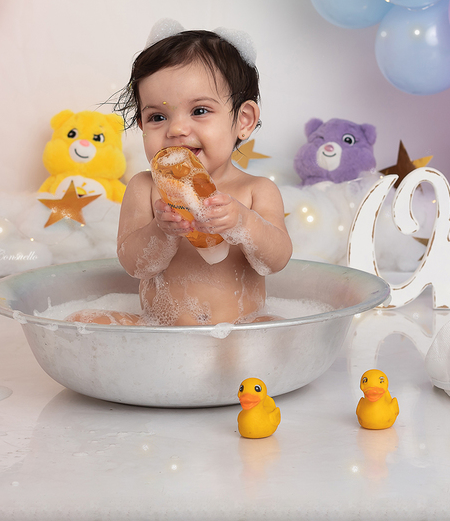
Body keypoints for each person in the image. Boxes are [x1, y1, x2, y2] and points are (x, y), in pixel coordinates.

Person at [68, 25, 292, 326]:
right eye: (157, 117)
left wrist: (243, 223)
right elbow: (135, 265)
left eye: (199, 111)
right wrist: (161, 232)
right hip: (162, 331)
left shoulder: (256, 190)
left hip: (238, 330)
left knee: (274, 328)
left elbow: (275, 261)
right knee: (81, 321)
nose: (176, 130)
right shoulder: (145, 187)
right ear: (142, 126)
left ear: (243, 120)